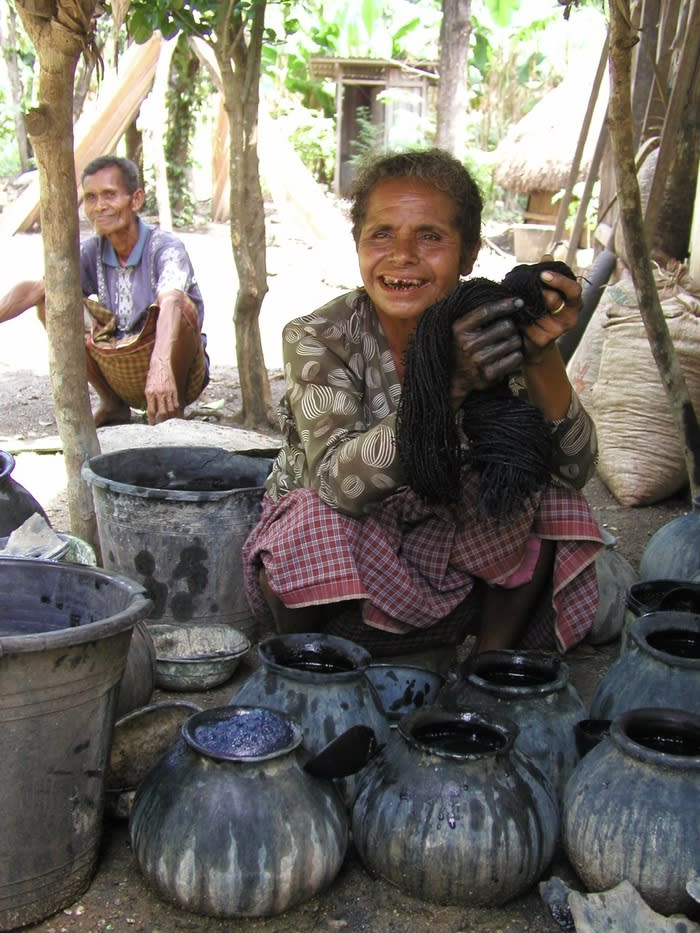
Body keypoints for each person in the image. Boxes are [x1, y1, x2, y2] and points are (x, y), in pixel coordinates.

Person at [242, 148, 604, 668]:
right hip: (348, 557)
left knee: (552, 501)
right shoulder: (320, 336)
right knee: (305, 519)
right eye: (381, 234)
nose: (402, 255)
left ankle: (487, 672)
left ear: (469, 254)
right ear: (358, 245)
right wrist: (449, 383)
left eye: (430, 236)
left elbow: (573, 471)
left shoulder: (493, 331)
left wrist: (540, 355)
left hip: (451, 540)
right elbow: (336, 485)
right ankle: (305, 671)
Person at [0, 155, 209, 427]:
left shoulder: (165, 247)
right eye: (91, 197)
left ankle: (171, 409)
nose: (100, 206)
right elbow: (39, 289)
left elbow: (171, 302)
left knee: (179, 305)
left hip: (171, 365)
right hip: (122, 363)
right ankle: (113, 404)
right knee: (52, 300)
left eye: (109, 195)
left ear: (135, 200)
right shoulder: (92, 250)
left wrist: (160, 367)